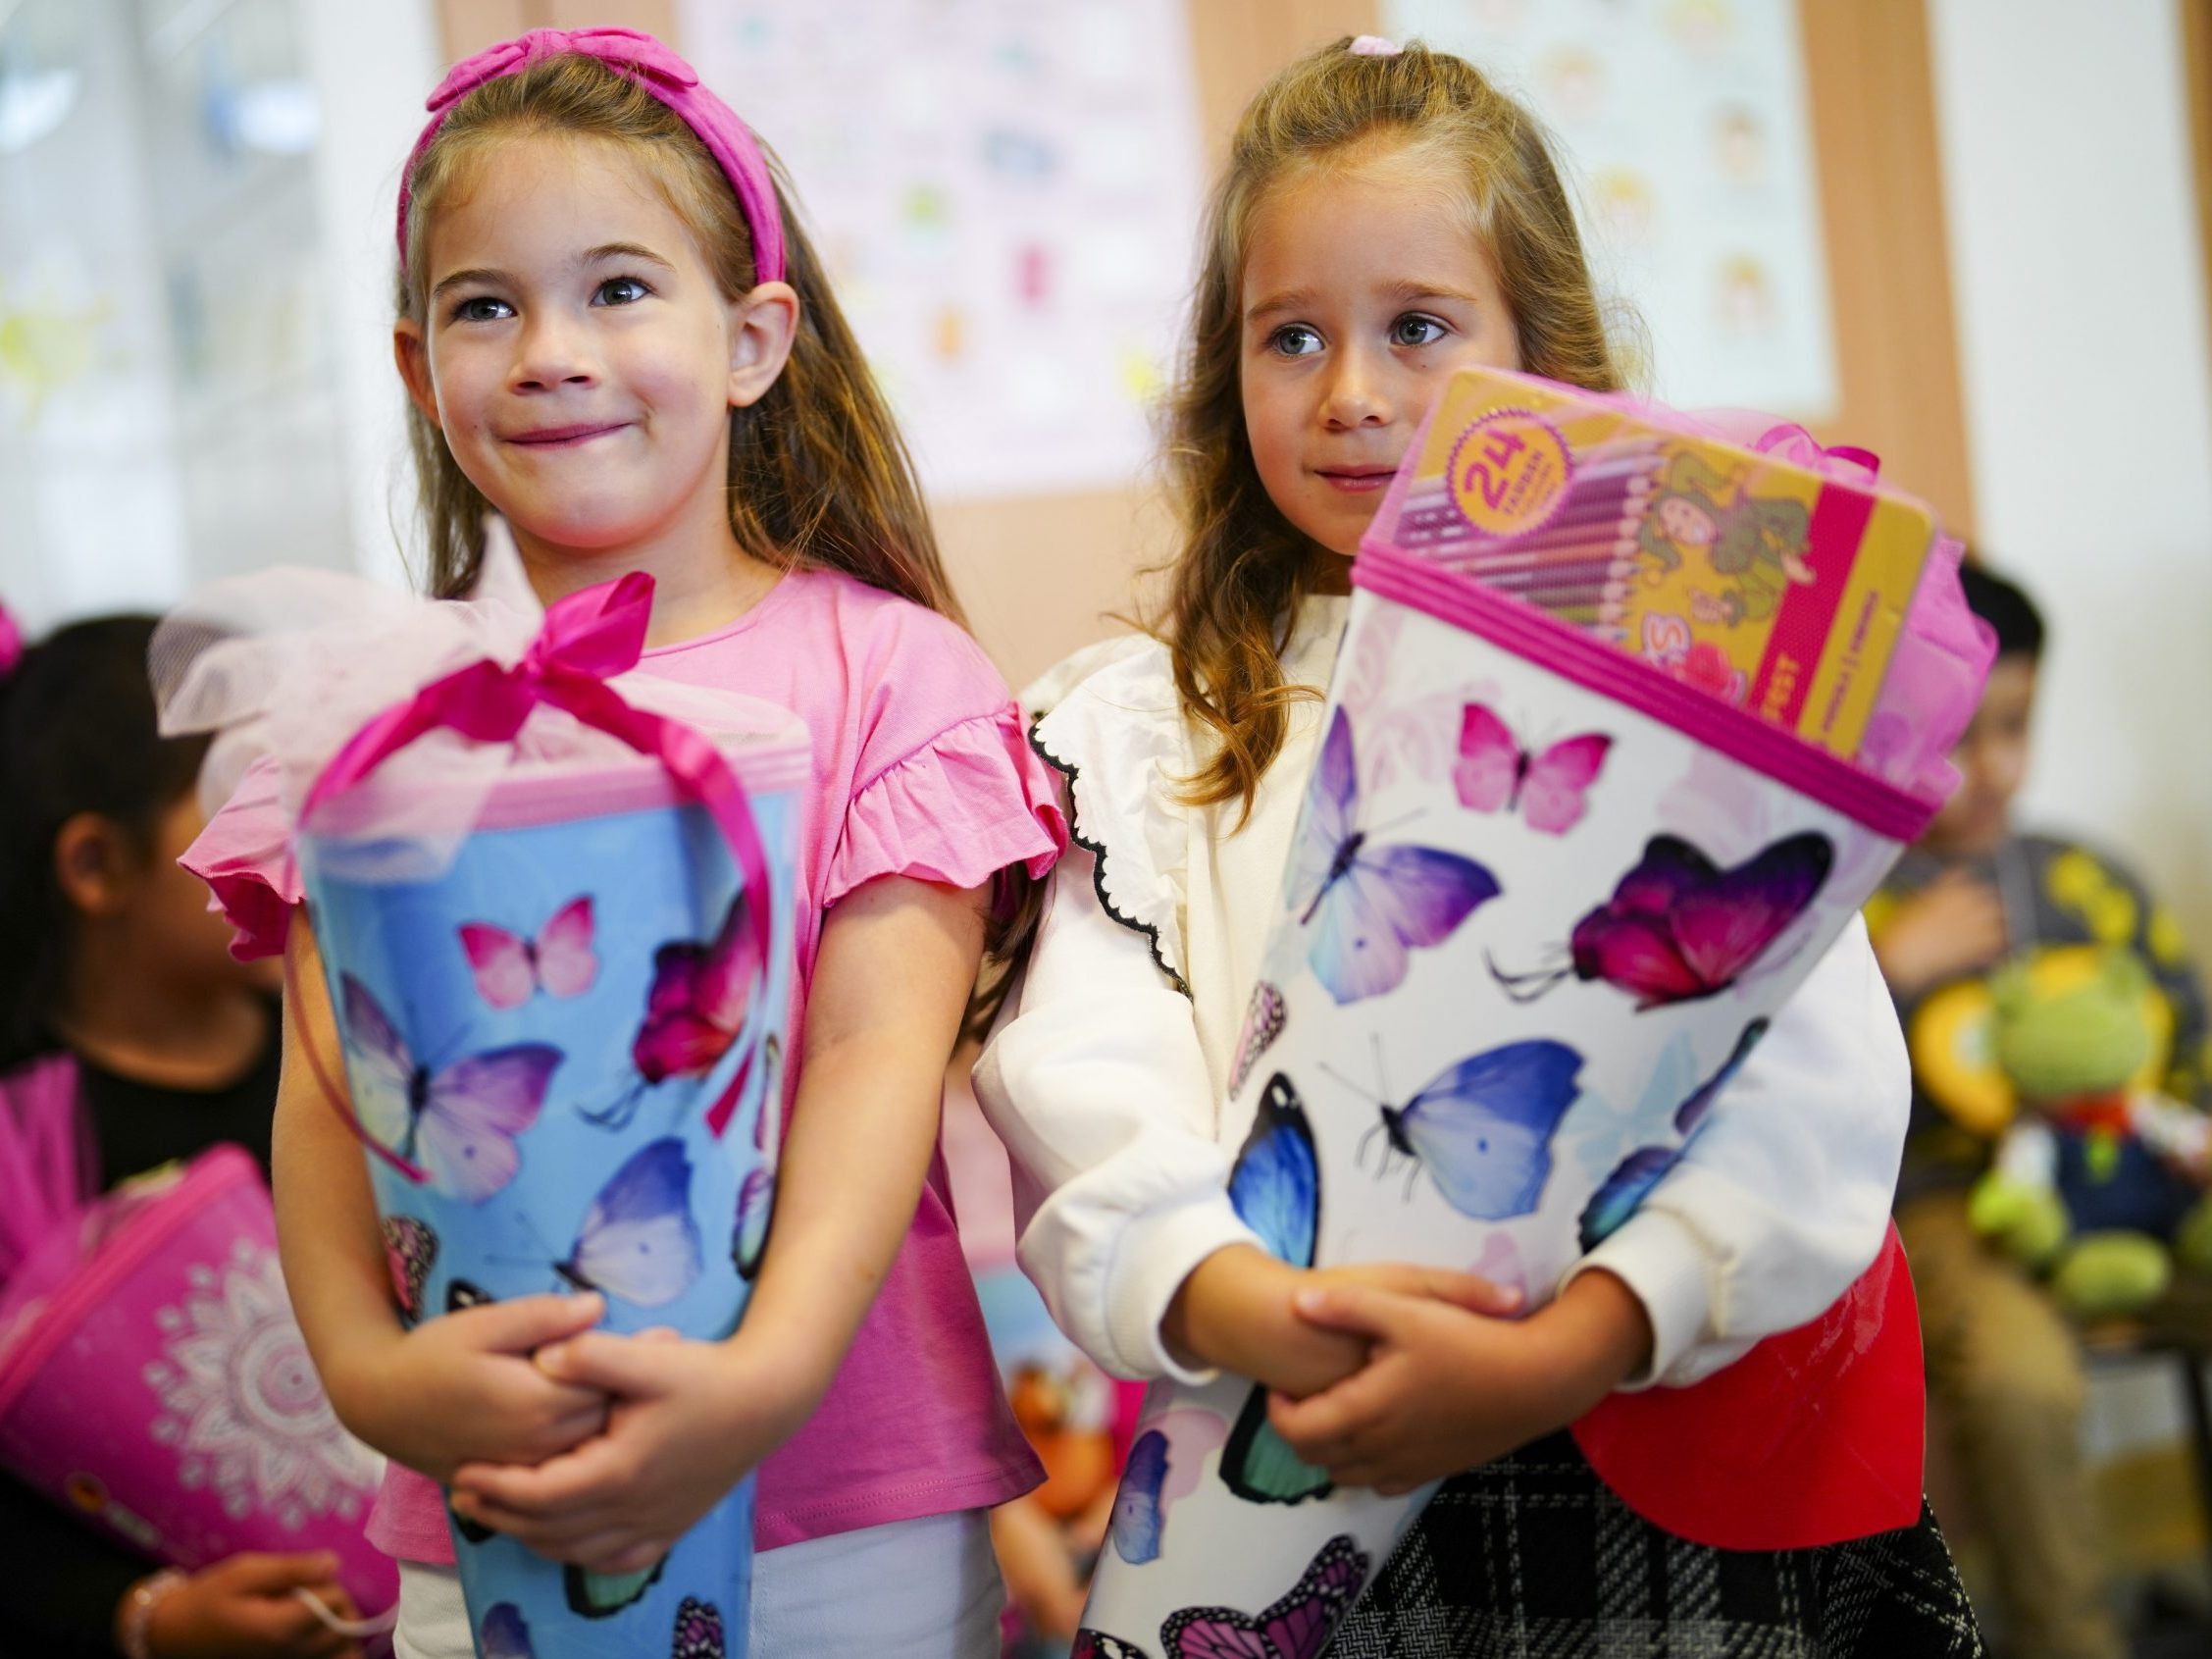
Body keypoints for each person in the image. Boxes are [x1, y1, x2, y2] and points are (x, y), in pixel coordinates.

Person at [974, 35, 1981, 1653]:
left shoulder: (1689, 682)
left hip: (1664, 1461)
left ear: (1541, 356)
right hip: (1287, 1446)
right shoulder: (1148, 726)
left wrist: (1578, 1338)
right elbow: (1080, 1074)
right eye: (1290, 334)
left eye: (1419, 328)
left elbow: (1818, 1083)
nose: (1351, 393)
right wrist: (1241, 1299)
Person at [179, 28, 1065, 1658]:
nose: (548, 353)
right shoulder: (374, 705)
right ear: (415, 366)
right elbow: (328, 1082)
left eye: (618, 289)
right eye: (484, 306)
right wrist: (375, 1380)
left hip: (844, 1513)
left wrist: (757, 1385)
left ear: (751, 339)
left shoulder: (890, 674)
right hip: (487, 1502)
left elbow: (871, 1055)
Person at [0, 610, 366, 1659]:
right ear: (95, 864)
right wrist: (153, 1615)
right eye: (237, 797)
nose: (291, 840)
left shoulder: (341, 1047)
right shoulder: (27, 1139)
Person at [1870, 563, 2208, 1659]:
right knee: (2021, 1382)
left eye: (2015, 726)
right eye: (1959, 737)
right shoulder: (1857, 902)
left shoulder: (2085, 881)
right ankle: (2072, 1636)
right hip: (1954, 1209)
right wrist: (1889, 974)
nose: (1996, 768)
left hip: (2135, 1189)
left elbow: (2184, 1032)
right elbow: (1804, 1087)